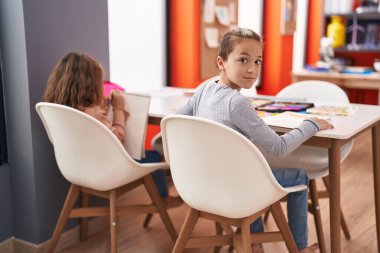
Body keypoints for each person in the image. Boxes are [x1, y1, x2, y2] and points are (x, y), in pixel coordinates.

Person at [175, 28, 333, 253]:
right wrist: (311, 124)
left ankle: (255, 240)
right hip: (235, 190)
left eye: (257, 61)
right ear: (221, 62)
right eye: (243, 60)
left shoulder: (204, 88)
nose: (252, 69)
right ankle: (299, 248)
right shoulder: (237, 103)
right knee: (299, 176)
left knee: (249, 169)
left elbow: (176, 118)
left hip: (202, 184)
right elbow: (278, 148)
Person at [43, 52, 181, 208]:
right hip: (105, 169)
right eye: (99, 83)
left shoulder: (59, 109)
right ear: (90, 86)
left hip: (74, 168)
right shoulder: (94, 114)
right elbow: (119, 139)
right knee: (155, 155)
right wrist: (118, 108)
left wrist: (100, 106)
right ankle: (163, 199)